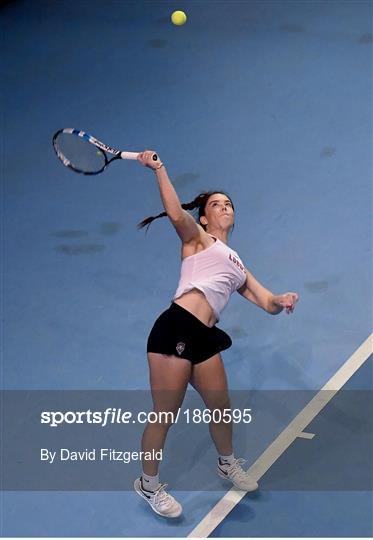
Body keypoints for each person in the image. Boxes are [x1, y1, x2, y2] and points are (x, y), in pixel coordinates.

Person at [133, 150, 299, 518]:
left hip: (205, 337)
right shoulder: (197, 240)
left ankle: (226, 463)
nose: (224, 207)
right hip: (175, 328)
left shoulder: (237, 263)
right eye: (216, 204)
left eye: (228, 203)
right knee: (165, 414)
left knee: (221, 407)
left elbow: (265, 300)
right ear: (204, 217)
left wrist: (281, 300)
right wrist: (159, 169)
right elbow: (176, 214)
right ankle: (148, 483)